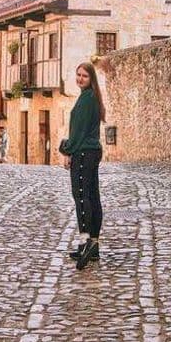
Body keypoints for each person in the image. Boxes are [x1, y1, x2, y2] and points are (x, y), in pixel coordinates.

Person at [63, 61, 104, 270]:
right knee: (92, 196)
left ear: (91, 79)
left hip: (83, 152)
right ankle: (93, 244)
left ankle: (85, 241)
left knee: (81, 196)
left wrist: (67, 150)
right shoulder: (90, 97)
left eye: (84, 76)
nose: (80, 79)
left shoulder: (87, 100)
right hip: (92, 151)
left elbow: (77, 132)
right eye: (78, 75)